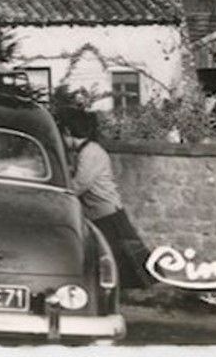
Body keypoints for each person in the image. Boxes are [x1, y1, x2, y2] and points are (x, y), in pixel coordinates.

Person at [60, 107, 154, 289]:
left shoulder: (91, 152)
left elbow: (80, 183)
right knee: (114, 253)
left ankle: (138, 287)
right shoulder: (83, 152)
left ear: (68, 132)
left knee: (122, 254)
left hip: (105, 210)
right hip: (97, 210)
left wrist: (64, 192)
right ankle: (126, 287)